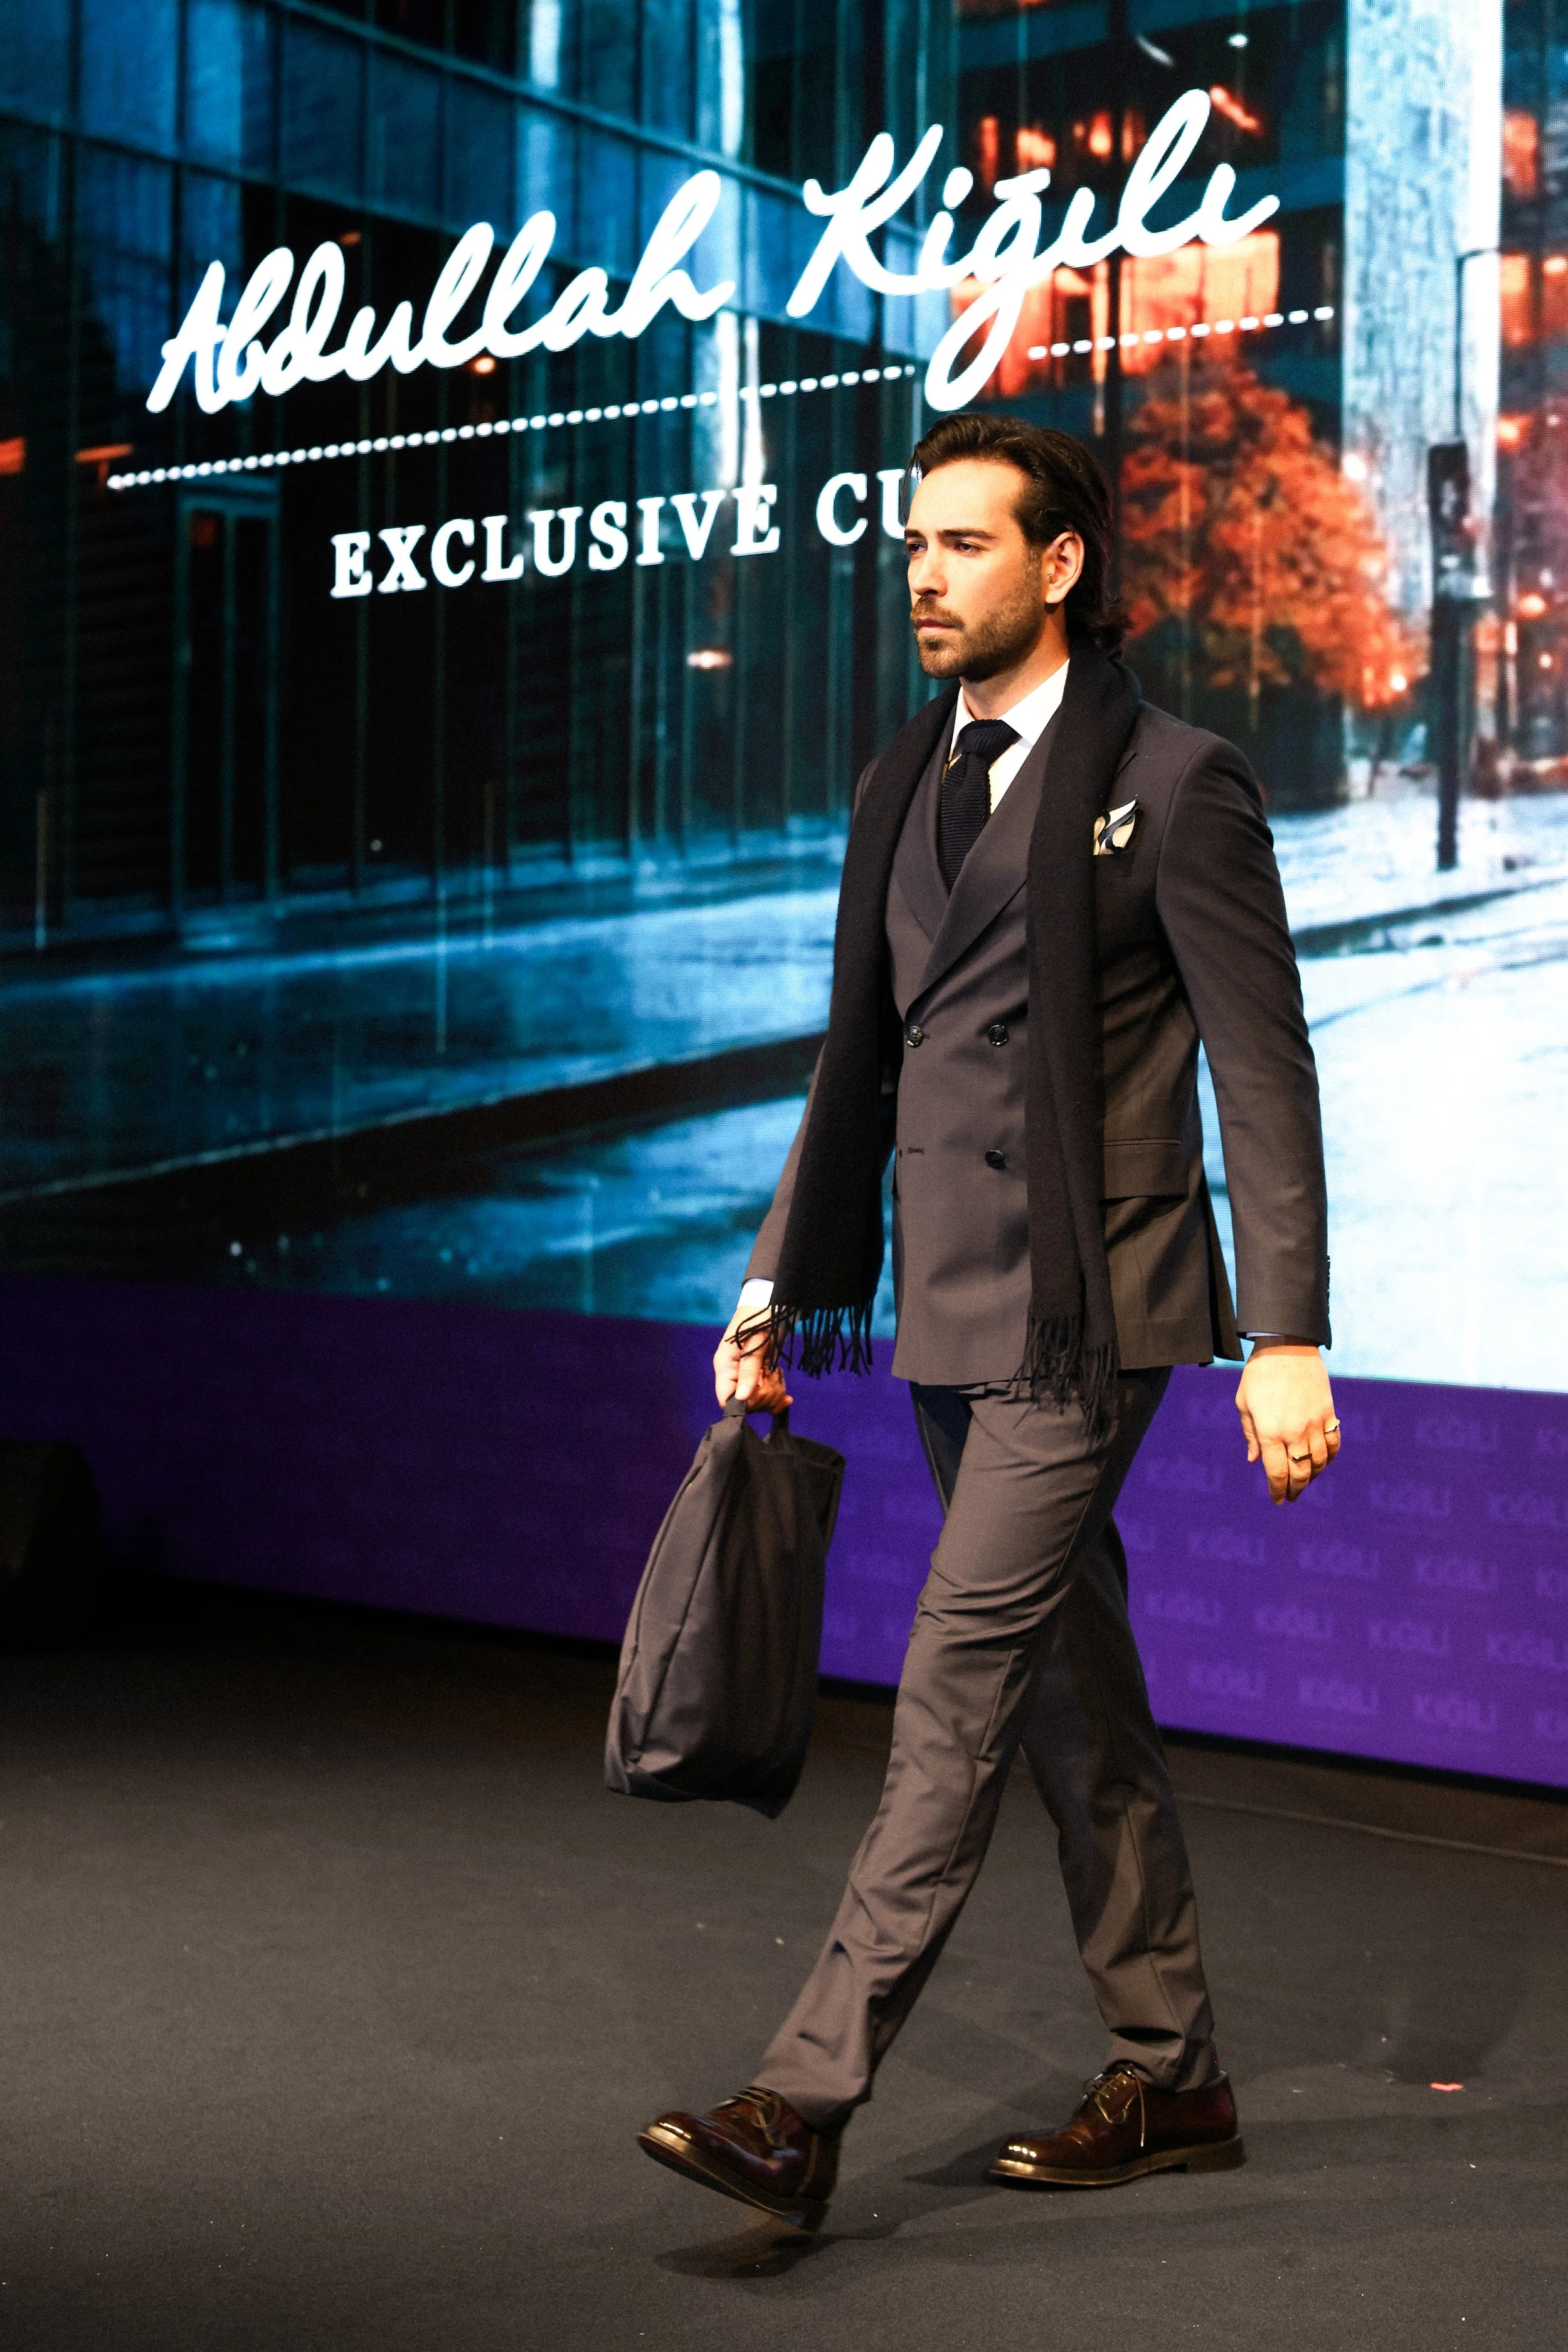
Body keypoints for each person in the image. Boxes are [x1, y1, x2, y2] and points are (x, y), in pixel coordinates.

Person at [638, 411, 1338, 2232]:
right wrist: (777, 1279)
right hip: (945, 1299)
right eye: (914, 545)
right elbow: (857, 1060)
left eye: (964, 543)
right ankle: (1174, 2073)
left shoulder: (1174, 780)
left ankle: (801, 2099)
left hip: (1088, 1308)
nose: (924, 576)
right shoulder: (904, 779)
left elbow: (1263, 1072)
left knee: (955, 1685)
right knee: (1069, 1699)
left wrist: (1285, 1333)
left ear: (1060, 564)